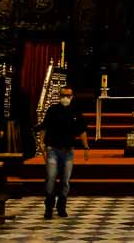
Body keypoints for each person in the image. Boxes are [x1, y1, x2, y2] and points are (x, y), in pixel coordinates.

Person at [34, 86, 89, 219]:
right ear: (59, 96)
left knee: (65, 180)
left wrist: (86, 147)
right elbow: (44, 126)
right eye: (63, 95)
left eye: (68, 96)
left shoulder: (75, 111)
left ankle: (61, 206)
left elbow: (82, 130)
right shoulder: (52, 110)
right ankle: (49, 207)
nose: (65, 98)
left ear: (72, 97)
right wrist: (42, 142)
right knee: (51, 177)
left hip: (68, 150)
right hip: (53, 149)